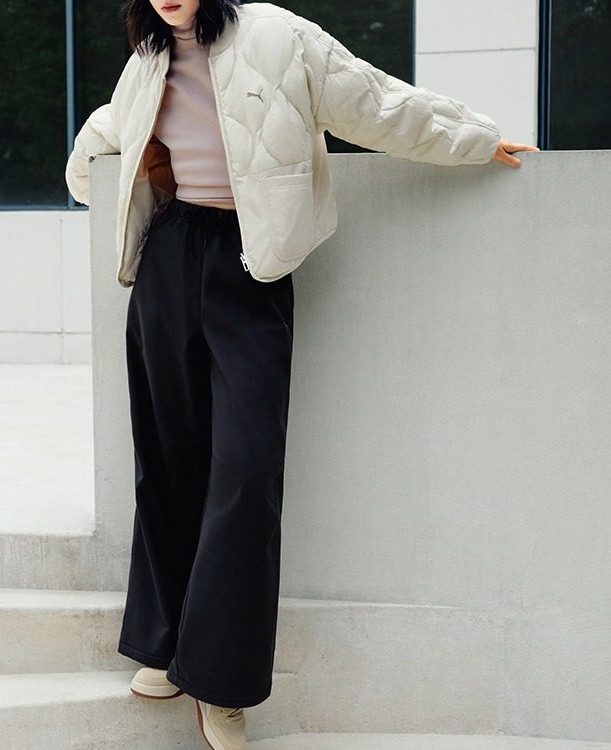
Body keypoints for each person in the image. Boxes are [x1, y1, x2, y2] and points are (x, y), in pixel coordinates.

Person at [65, 2, 538, 748]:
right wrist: (91, 175)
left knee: (248, 470)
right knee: (167, 458)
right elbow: (106, 135)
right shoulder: (147, 59)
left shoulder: (276, 35)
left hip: (249, 266)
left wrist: (474, 138)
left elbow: (374, 99)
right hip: (168, 258)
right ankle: (162, 640)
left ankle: (220, 683)